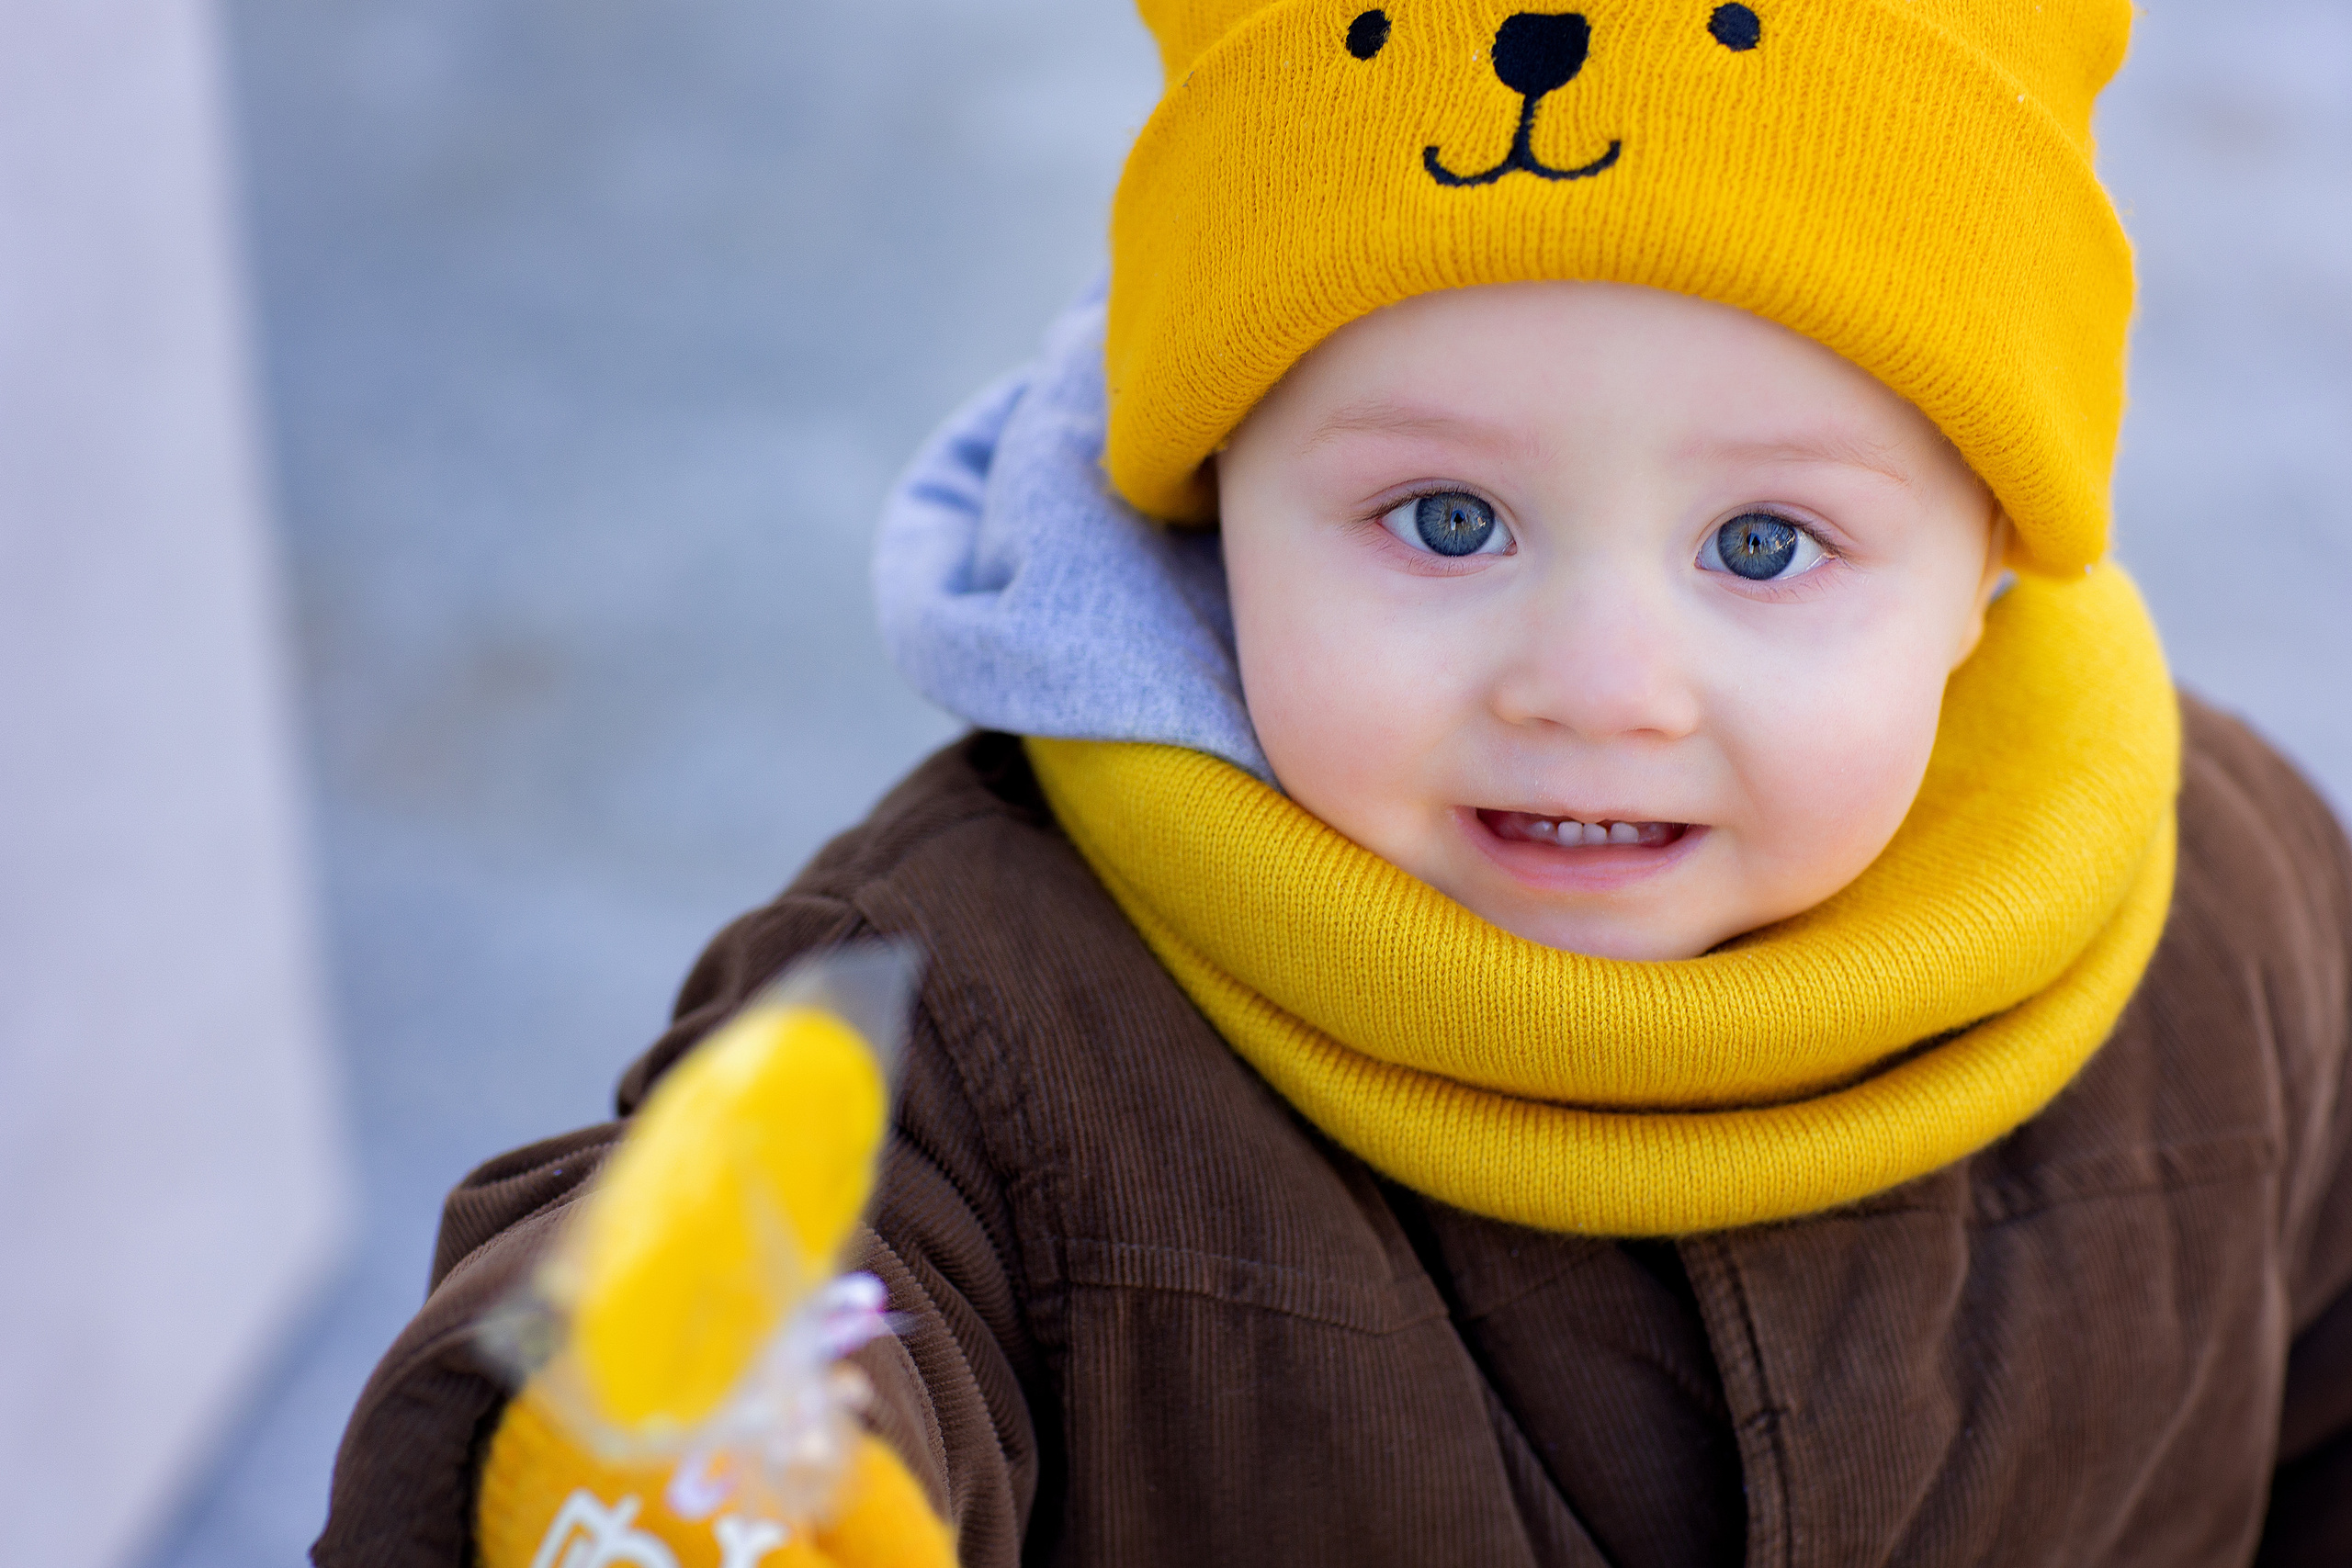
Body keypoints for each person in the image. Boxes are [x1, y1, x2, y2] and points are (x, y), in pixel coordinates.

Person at [317, 1, 2352, 1563]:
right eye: (1444, 517)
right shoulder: (990, 1000)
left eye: (1759, 547)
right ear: (1216, 500)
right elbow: (767, 1241)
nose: (1596, 685)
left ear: (1986, 556)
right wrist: (697, 1450)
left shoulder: (2223, 905)